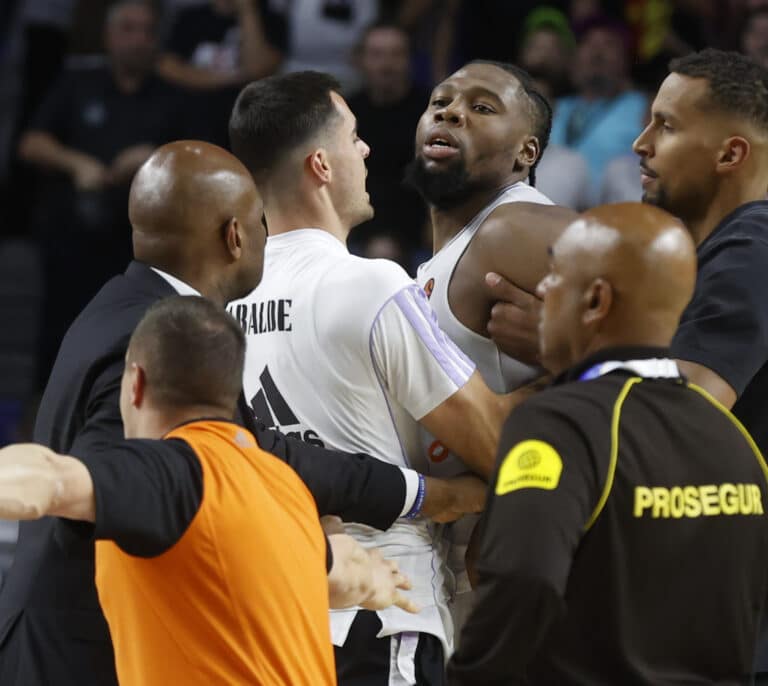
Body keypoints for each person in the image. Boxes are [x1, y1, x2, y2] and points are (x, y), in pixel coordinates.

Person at [0, 140, 482, 686]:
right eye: (260, 222)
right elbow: (93, 476)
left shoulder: (136, 315)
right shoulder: (151, 345)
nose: (266, 234)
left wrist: (414, 499)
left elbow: (265, 457)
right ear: (234, 236)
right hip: (75, 649)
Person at [229, 70, 515, 685]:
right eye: (353, 137)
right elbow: (494, 445)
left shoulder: (216, 301)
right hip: (380, 610)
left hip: (264, 610)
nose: (365, 150)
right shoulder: (372, 283)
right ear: (321, 165)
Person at [0, 295, 421, 685]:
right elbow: (340, 574)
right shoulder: (284, 486)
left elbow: (49, 479)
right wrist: (376, 582)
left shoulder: (169, 475)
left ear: (135, 384)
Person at [448, 202, 768, 685]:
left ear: (596, 301)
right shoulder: (736, 439)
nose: (543, 289)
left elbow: (521, 579)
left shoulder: (560, 423)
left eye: (555, 276)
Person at [406, 59, 576, 628]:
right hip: (449, 558)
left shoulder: (515, 227)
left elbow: (659, 311)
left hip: (509, 559)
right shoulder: (447, 254)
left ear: (525, 154)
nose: (450, 111)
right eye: (440, 102)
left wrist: (575, 352)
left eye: (482, 108)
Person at [632, 47, 768, 680]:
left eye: (667, 125)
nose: (641, 143)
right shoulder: (726, 251)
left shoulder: (751, 246)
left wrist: (575, 350)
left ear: (730, 154)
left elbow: (685, 412)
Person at [17, 0, 189, 384]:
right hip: (73, 237)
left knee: (135, 343)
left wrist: (153, 158)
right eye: (129, 29)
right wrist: (76, 163)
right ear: (108, 35)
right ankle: (39, 428)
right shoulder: (77, 82)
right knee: (58, 337)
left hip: (141, 248)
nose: (139, 39)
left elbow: (201, 162)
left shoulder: (173, 95)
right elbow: (30, 143)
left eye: (148, 31)